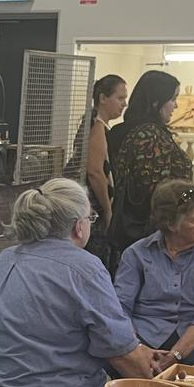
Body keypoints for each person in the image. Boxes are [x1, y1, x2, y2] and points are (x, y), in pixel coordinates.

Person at [0, 178, 159, 387]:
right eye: (90, 218)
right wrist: (150, 366)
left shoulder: (7, 258)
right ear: (79, 226)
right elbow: (126, 358)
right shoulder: (85, 268)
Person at [115, 179, 194, 372]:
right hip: (146, 335)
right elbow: (120, 309)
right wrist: (137, 349)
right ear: (171, 225)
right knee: (112, 357)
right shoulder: (136, 254)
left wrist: (177, 354)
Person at [107, 70, 192, 259]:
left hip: (150, 233)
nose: (176, 106)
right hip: (151, 237)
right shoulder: (148, 135)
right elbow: (159, 192)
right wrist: (193, 195)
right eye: (173, 99)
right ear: (156, 101)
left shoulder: (137, 131)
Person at [83, 74, 128, 268]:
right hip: (95, 208)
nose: (124, 104)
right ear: (102, 98)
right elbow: (95, 171)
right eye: (120, 98)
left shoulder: (97, 125)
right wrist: (108, 210)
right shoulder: (96, 126)